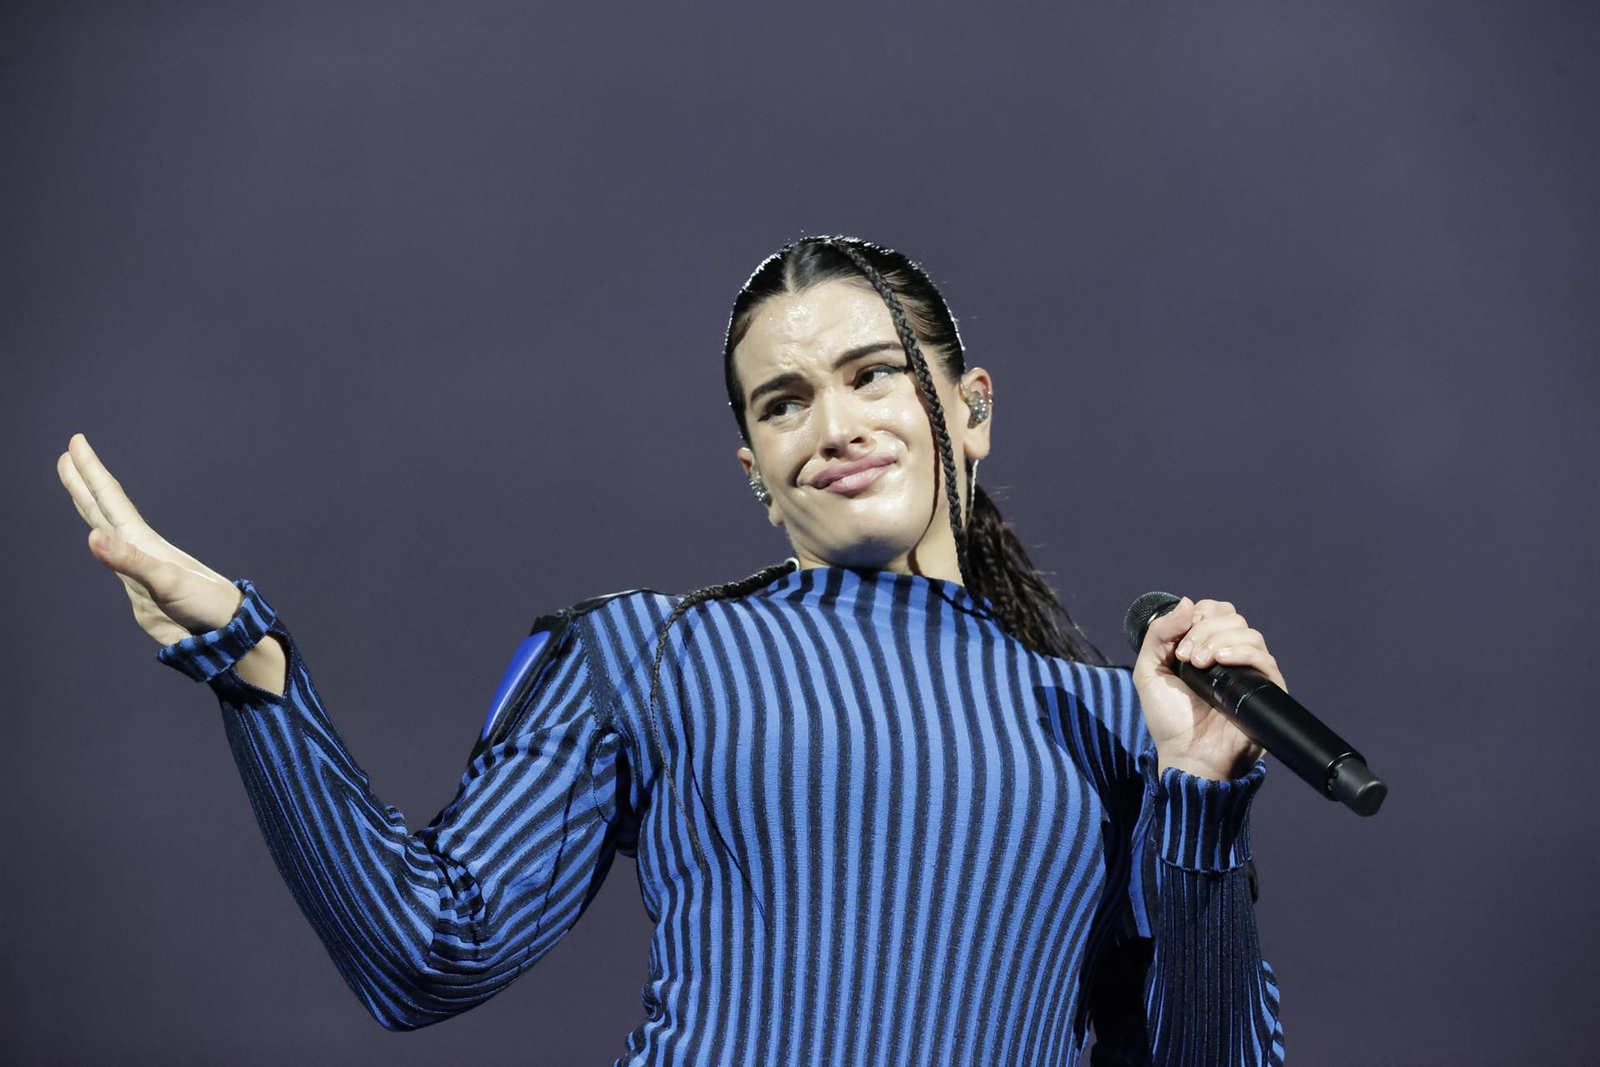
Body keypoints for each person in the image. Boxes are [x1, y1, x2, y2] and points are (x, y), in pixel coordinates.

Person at [58, 235, 1287, 1065]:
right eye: (783, 401)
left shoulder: (1118, 721)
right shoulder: (646, 653)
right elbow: (419, 954)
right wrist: (250, 667)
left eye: (871, 375)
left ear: (967, 408)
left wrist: (1199, 796)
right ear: (757, 475)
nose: (835, 423)